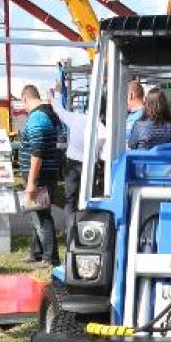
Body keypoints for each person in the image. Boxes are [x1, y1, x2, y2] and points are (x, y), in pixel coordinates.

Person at [49, 85, 106, 239]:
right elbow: (104, 152)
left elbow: (59, 111)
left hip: (73, 163)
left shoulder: (76, 118)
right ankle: (87, 231)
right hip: (90, 165)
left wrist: (56, 96)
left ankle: (70, 233)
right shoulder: (101, 126)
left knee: (70, 199)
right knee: (89, 199)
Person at [18, 83, 60, 265]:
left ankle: (50, 256)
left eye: (23, 103)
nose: (24, 107)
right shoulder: (46, 115)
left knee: (42, 216)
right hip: (46, 173)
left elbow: (37, 153)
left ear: (25, 99)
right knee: (36, 213)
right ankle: (36, 252)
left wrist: (31, 182)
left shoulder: (36, 118)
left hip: (40, 175)